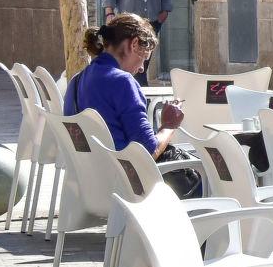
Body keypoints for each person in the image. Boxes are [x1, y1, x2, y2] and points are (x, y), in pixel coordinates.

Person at [65, 14, 193, 188]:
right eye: (144, 59)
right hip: (125, 186)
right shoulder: (123, 82)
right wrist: (169, 124)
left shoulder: (76, 82)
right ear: (134, 44)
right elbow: (149, 151)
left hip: (88, 185)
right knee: (196, 175)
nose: (141, 68)